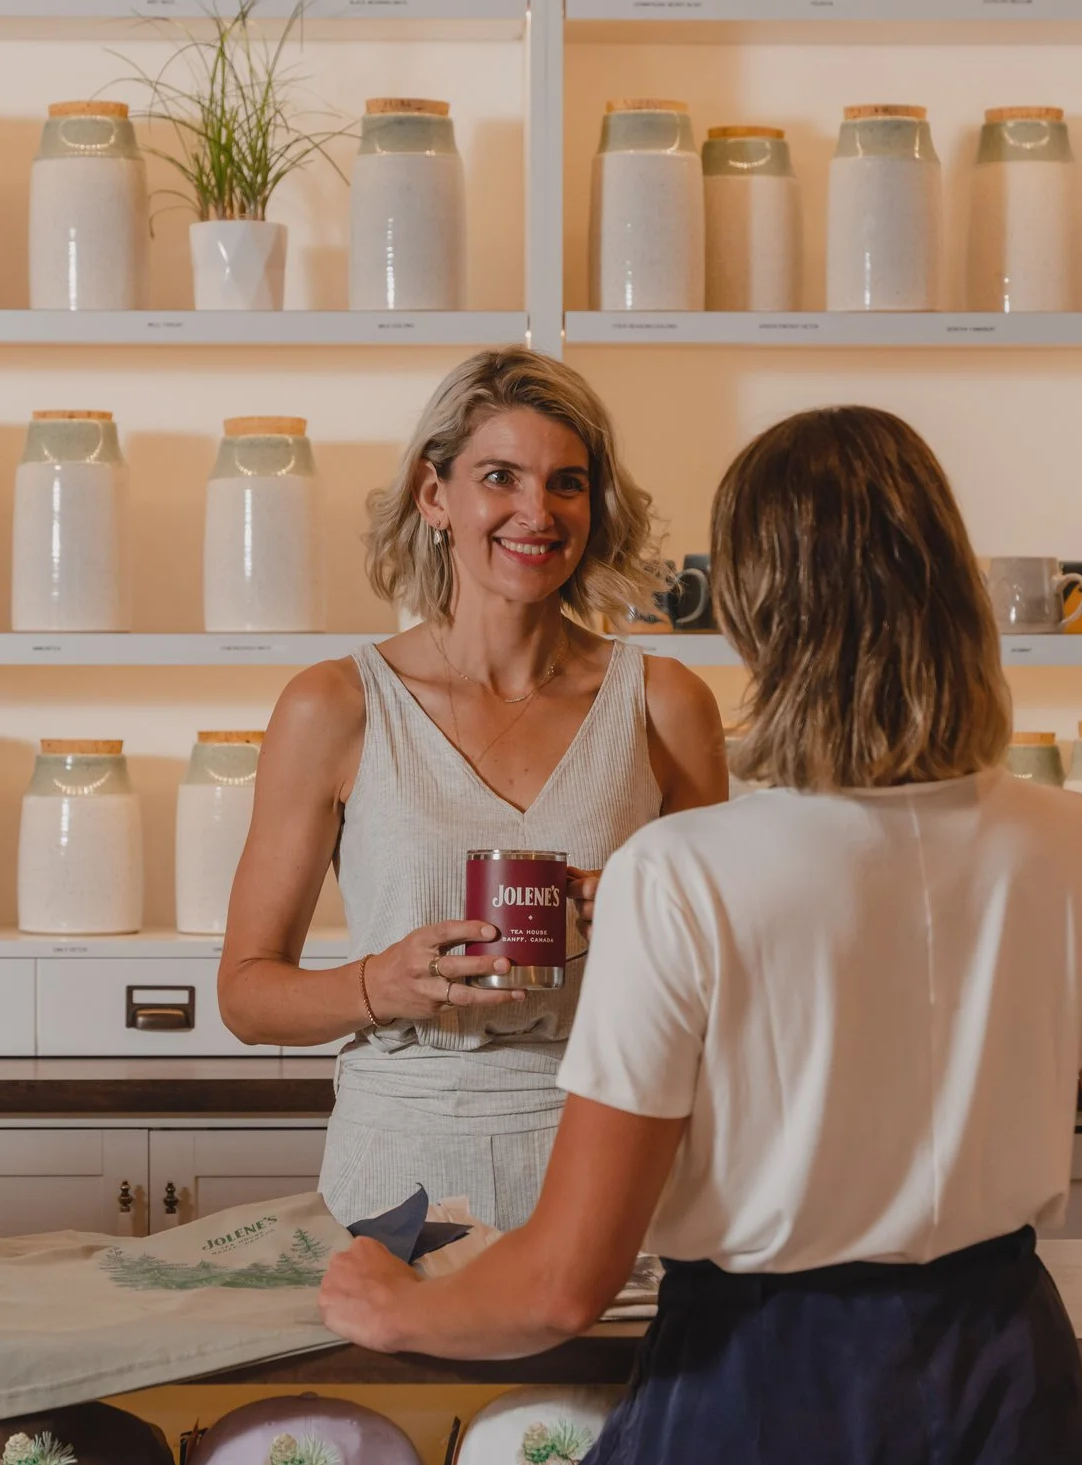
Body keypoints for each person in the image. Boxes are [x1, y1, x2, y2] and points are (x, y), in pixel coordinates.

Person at [318, 406, 1082, 1465]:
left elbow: (561, 1284)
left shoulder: (679, 873)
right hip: (1003, 1381)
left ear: (758, 609)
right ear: (951, 586)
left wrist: (396, 1305)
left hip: (759, 1382)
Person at [216, 348, 727, 1231]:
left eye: (566, 482)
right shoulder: (335, 705)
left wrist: (643, 916)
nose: (538, 512)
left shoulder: (666, 701)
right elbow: (246, 993)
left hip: (612, 1157)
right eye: (501, 477)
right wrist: (384, 983)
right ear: (433, 495)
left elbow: (730, 971)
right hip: (399, 1167)